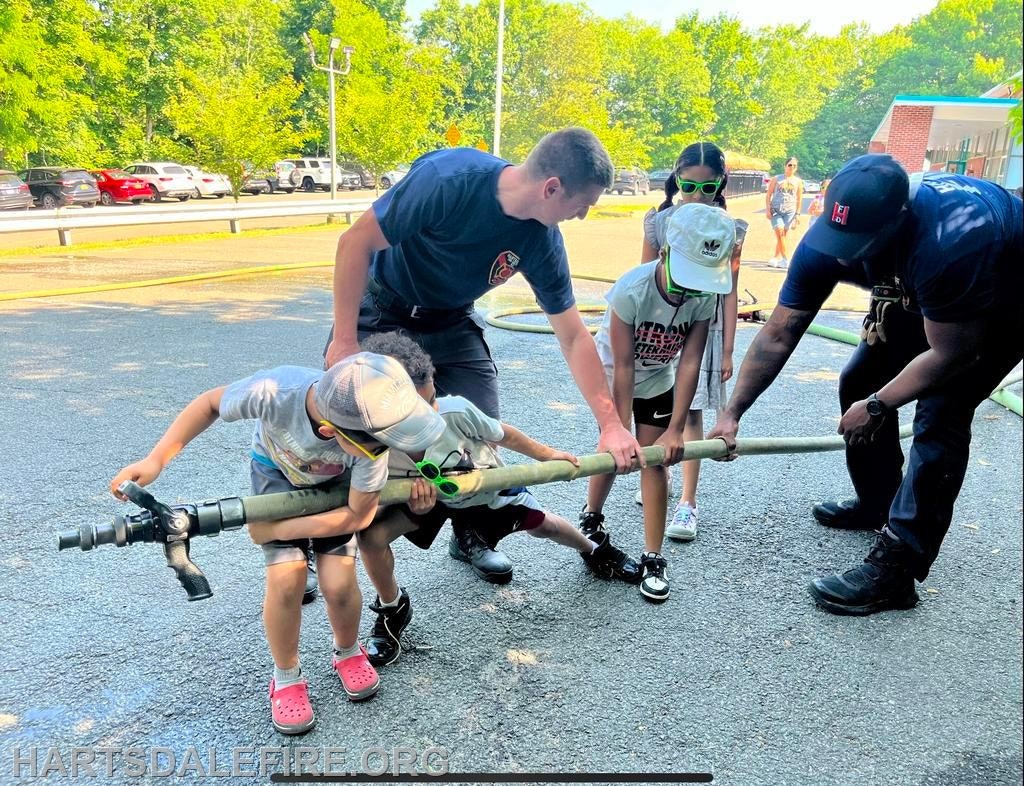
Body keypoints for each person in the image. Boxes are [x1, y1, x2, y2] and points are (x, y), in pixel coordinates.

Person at [322, 127, 642, 585]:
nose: (584, 215)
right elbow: (355, 242)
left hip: (451, 321)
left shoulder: (542, 239)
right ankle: (322, 543)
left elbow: (572, 335)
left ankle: (471, 533)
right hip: (384, 309)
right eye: (583, 203)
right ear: (551, 188)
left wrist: (611, 424)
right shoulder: (447, 180)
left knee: (479, 438)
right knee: (348, 433)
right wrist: (347, 342)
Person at [709, 154, 1023, 616]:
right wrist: (732, 413)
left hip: (1001, 298)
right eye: (838, 237)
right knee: (859, 377)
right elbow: (778, 332)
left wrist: (877, 406)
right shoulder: (829, 239)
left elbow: (952, 353)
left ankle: (897, 569)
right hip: (929, 289)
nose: (841, 253)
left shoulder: (950, 240)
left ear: (899, 221)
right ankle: (878, 503)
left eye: (856, 244)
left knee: (941, 411)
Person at [109, 353, 446, 733]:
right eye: (381, 442)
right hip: (277, 473)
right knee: (288, 579)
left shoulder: (371, 452)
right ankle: (286, 674)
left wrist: (276, 530)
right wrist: (156, 460)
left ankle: (347, 651)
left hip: (336, 490)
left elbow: (358, 516)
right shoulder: (276, 391)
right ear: (337, 431)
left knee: (338, 581)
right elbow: (210, 403)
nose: (389, 448)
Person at [355, 332, 642, 665]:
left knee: (543, 525)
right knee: (371, 537)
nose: (432, 414)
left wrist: (548, 456)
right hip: (423, 496)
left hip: (483, 488)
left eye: (433, 398)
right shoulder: (370, 443)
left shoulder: (455, 412)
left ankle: (593, 550)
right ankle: (393, 607)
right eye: (419, 410)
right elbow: (365, 503)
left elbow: (504, 434)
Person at [581, 203, 738, 603]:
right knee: (612, 453)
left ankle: (654, 555)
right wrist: (616, 427)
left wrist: (675, 429)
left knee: (656, 459)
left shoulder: (705, 297)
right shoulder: (631, 290)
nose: (691, 289)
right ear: (665, 253)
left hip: (660, 378)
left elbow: (689, 362)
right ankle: (591, 518)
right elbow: (624, 366)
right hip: (615, 373)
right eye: (686, 277)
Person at [634, 141, 748, 543]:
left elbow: (730, 289)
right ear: (675, 180)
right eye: (688, 185)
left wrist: (729, 347)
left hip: (706, 324)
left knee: (693, 411)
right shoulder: (659, 221)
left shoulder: (728, 227)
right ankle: (655, 470)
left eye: (707, 187)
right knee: (656, 403)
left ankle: (688, 500)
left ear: (721, 184)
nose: (697, 195)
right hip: (663, 324)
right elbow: (643, 276)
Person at [765, 157, 804, 268]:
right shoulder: (777, 179)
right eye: (790, 165)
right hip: (776, 210)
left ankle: (776, 258)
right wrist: (768, 209)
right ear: (785, 166)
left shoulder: (798, 182)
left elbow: (799, 198)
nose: (792, 167)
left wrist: (797, 214)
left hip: (790, 211)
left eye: (794, 166)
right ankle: (786, 259)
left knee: (782, 236)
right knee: (780, 232)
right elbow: (768, 195)